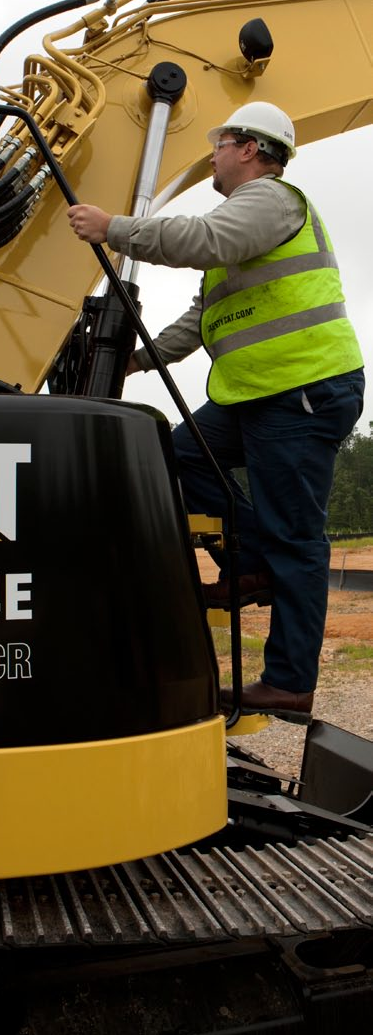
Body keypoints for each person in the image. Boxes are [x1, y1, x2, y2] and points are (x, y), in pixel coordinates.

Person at [67, 101, 365, 722]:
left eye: (220, 143)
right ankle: (252, 563)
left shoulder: (270, 201)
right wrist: (137, 362)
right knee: (171, 455)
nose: (212, 154)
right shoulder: (243, 228)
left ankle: (287, 681)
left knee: (297, 537)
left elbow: (201, 239)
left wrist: (114, 228)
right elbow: (202, 321)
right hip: (255, 395)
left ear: (250, 149)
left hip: (299, 390)